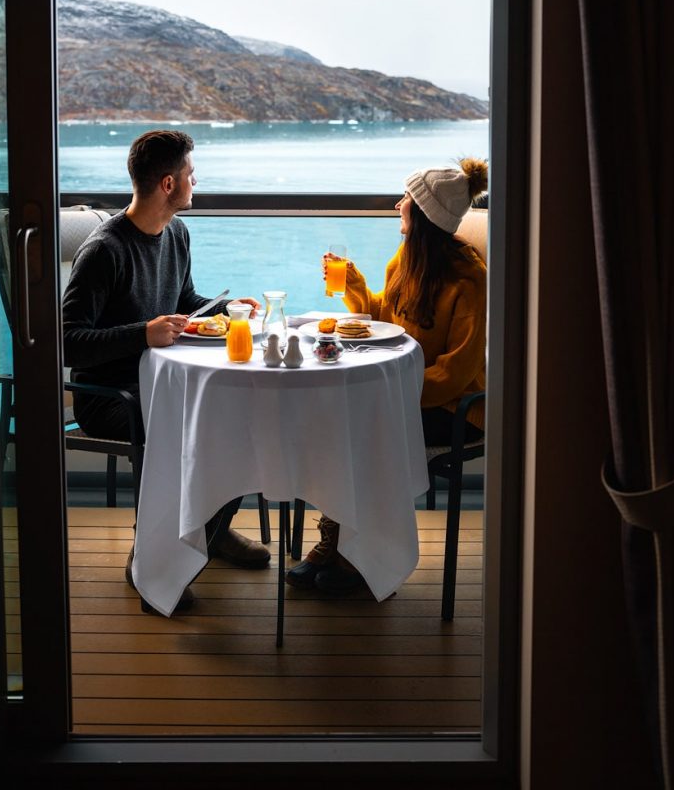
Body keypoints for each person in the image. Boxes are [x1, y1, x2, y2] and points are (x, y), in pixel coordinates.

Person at [62, 129, 268, 614]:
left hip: (167, 386)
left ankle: (210, 536)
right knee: (193, 435)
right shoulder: (104, 251)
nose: (198, 181)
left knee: (244, 424)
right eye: (193, 174)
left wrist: (224, 308)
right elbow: (68, 342)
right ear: (170, 184)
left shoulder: (176, 232)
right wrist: (142, 334)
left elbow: (184, 304)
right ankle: (150, 561)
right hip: (111, 397)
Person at [287, 157, 488, 594]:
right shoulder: (408, 257)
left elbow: (456, 372)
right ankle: (339, 541)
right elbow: (388, 320)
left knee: (360, 426)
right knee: (335, 419)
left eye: (407, 201)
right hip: (404, 392)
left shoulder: (469, 279)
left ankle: (358, 555)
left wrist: (390, 395)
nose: (399, 205)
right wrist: (356, 287)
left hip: (454, 407)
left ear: (424, 215)